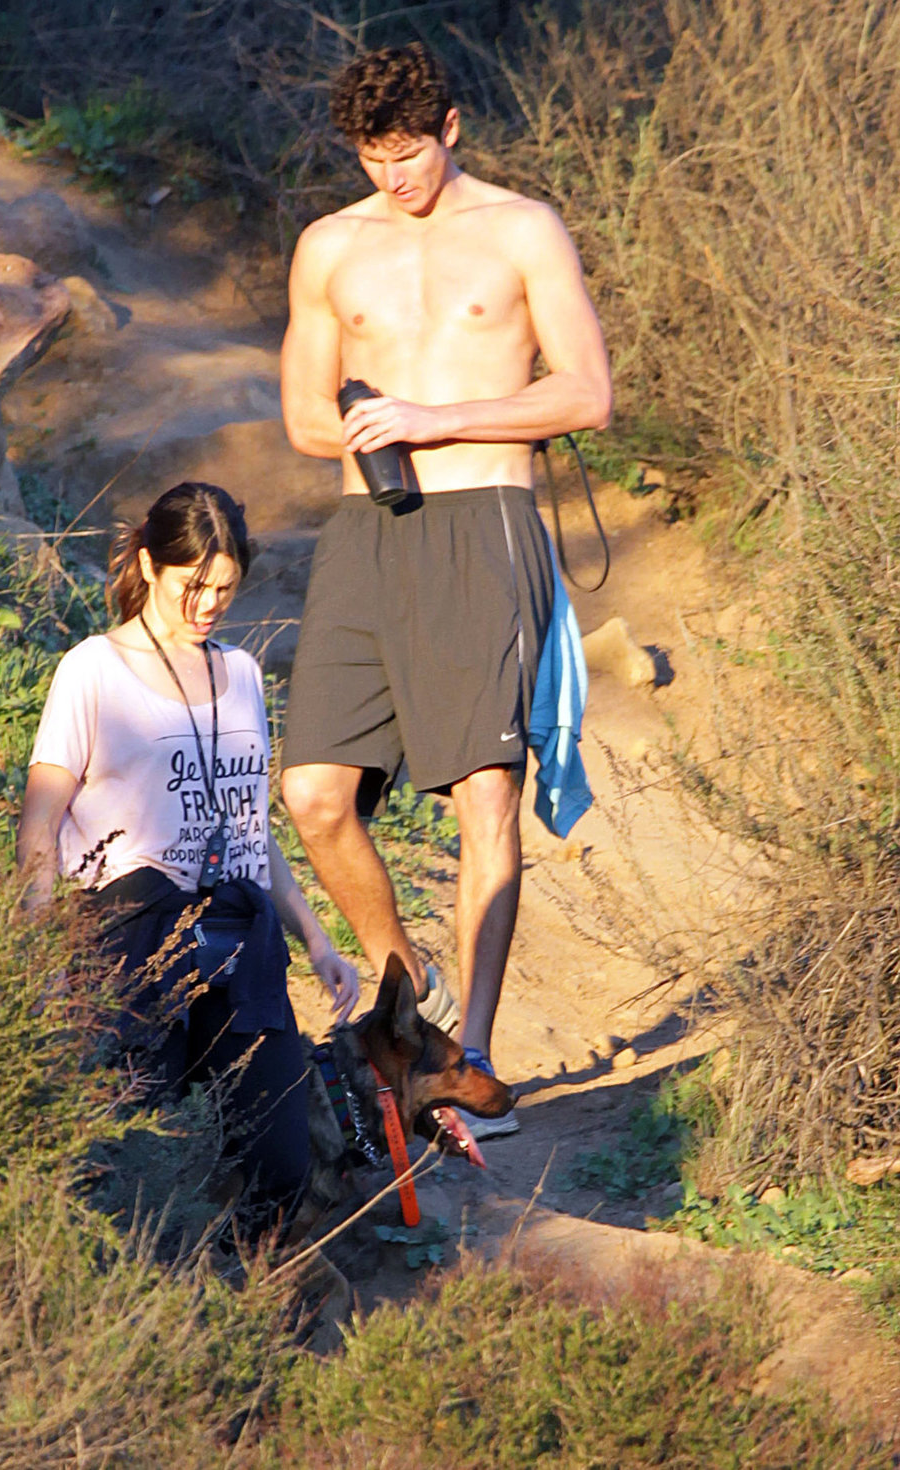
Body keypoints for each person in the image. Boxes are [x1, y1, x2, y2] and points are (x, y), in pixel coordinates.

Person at [279, 43, 612, 1137]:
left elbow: (586, 392)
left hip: (485, 525)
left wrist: (432, 420)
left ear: (452, 128)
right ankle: (402, 1000)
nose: (397, 177)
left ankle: (472, 1059)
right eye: (375, 157)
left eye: (412, 152)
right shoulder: (331, 245)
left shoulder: (522, 229)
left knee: (483, 800)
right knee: (316, 797)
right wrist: (372, 429)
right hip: (367, 536)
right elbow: (305, 418)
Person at [16, 482, 359, 1241]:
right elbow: (40, 818)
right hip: (134, 932)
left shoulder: (239, 673)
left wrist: (319, 939)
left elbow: (249, 827)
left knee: (281, 1156)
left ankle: (247, 1301)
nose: (207, 605)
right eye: (191, 586)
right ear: (148, 563)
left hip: (240, 930)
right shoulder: (91, 670)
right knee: (132, 1146)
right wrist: (39, 951)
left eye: (225, 589)